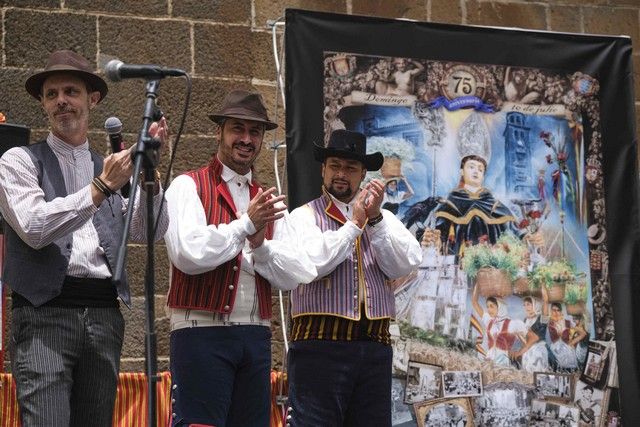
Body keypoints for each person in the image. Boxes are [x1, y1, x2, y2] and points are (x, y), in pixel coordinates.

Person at [0, 50, 169, 426]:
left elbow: (149, 230)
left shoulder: (108, 165)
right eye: (51, 93)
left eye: (71, 91)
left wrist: (150, 177)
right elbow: (34, 228)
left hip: (103, 315)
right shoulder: (19, 161)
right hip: (44, 313)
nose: (61, 100)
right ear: (44, 104)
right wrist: (101, 187)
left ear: (91, 99)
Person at [163, 90, 316, 427]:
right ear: (220, 132)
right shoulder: (187, 186)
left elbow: (296, 273)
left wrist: (261, 247)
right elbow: (188, 253)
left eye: (255, 131)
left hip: (255, 336)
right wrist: (245, 225)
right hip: (200, 332)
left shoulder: (267, 200)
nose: (246, 139)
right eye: (237, 129)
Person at [286, 129, 422, 426]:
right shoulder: (303, 216)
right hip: (319, 348)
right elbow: (312, 264)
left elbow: (404, 263)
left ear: (362, 175)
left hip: (373, 349)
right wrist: (354, 224)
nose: (341, 174)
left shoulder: (384, 219)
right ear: (322, 169)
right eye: (335, 165)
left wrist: (374, 220)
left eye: (350, 168)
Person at [429, 154, 543, 256]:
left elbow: (513, 232)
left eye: (480, 169)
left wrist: (528, 237)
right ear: (462, 172)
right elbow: (437, 235)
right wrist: (433, 240)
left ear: (483, 176)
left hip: (492, 266)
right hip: (457, 265)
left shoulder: (494, 205)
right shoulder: (450, 204)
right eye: (471, 167)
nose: (476, 171)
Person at [471, 285, 526, 367]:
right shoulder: (489, 321)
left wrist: (518, 352)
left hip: (502, 362)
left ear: (500, 306)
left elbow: (527, 343)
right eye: (487, 307)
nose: (489, 310)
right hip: (489, 360)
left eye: (491, 306)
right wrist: (478, 284)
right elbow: (474, 302)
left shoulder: (513, 324)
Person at [510, 287, 551, 372]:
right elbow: (525, 340)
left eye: (528, 304)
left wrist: (542, 284)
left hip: (538, 352)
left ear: (535, 304)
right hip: (528, 350)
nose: (526, 307)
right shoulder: (526, 320)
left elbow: (546, 301)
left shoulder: (542, 319)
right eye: (524, 305)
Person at [547, 302, 586, 370]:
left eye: (558, 310)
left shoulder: (567, 322)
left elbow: (583, 333)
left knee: (569, 371)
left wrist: (572, 342)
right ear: (551, 311)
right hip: (555, 352)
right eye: (553, 310)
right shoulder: (549, 323)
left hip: (567, 352)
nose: (556, 312)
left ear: (561, 311)